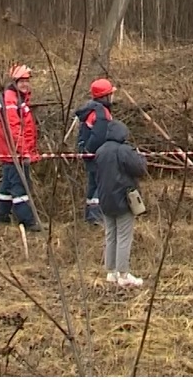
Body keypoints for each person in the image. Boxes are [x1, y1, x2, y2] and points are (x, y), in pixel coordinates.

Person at [94, 119, 148, 288]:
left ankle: (111, 272)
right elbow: (140, 169)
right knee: (124, 236)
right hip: (123, 199)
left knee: (110, 235)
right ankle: (124, 274)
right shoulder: (124, 150)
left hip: (105, 199)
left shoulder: (100, 151)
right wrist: (140, 157)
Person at [0, 64, 42, 232]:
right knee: (20, 187)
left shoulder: (17, 99)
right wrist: (24, 151)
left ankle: (1, 217)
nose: (25, 84)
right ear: (15, 82)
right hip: (15, 153)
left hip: (12, 152)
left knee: (7, 186)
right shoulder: (11, 100)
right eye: (22, 81)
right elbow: (14, 129)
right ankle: (28, 221)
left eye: (27, 81)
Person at [73, 78, 116, 225]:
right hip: (98, 155)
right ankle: (96, 217)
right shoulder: (102, 113)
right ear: (106, 95)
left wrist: (85, 150)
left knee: (93, 185)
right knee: (101, 185)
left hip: (89, 154)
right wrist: (94, 151)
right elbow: (99, 136)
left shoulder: (90, 109)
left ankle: (90, 216)